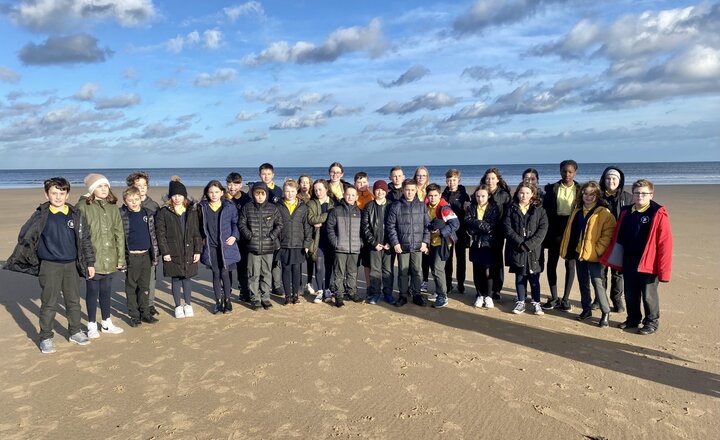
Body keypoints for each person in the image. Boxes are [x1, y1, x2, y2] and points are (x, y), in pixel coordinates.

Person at [5, 177, 94, 353]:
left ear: (67, 194)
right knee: (49, 302)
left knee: (73, 301)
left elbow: (85, 241)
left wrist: (90, 262)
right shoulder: (41, 215)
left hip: (71, 265)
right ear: (46, 194)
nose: (58, 197)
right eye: (54, 193)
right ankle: (46, 336)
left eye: (62, 193)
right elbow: (26, 236)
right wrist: (32, 258)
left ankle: (75, 331)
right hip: (50, 265)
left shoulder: (76, 214)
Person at [601, 179, 673, 335]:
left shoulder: (657, 212)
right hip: (629, 259)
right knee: (630, 292)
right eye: (637, 193)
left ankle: (651, 322)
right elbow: (618, 236)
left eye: (644, 193)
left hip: (648, 261)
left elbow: (665, 243)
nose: (640, 196)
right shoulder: (627, 211)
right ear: (632, 195)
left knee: (648, 294)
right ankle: (633, 319)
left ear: (651, 195)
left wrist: (664, 271)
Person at [560, 181, 616, 327]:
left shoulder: (604, 213)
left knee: (598, 283)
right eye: (585, 193)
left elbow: (608, 235)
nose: (588, 197)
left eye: (592, 194)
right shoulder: (577, 211)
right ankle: (586, 309)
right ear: (581, 194)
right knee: (583, 283)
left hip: (594, 256)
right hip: (579, 253)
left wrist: (597, 250)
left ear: (597, 195)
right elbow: (570, 232)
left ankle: (605, 312)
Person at [77, 173, 125, 338]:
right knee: (92, 291)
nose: (104, 189)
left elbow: (119, 233)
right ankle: (91, 325)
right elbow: (81, 236)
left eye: (105, 186)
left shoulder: (113, 207)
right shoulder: (83, 207)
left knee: (106, 291)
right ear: (92, 190)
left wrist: (120, 258)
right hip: (93, 259)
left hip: (110, 257)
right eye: (99, 186)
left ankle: (106, 322)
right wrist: (86, 261)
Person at [155, 178, 202, 319]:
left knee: (187, 279)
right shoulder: (164, 212)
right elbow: (160, 234)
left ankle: (188, 304)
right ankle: (177, 306)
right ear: (170, 197)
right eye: (174, 196)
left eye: (180, 195)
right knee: (175, 279)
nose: (177, 198)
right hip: (172, 252)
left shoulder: (191, 211)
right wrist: (165, 252)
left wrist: (197, 250)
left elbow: (196, 232)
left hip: (189, 250)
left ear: (185, 196)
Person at [505, 183, 548, 315]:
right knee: (520, 277)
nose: (524, 196)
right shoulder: (511, 208)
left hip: (534, 250)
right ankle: (521, 302)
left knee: (534, 278)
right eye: (521, 193)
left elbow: (543, 228)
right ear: (517, 193)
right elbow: (507, 227)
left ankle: (536, 303)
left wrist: (529, 244)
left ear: (532, 195)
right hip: (517, 249)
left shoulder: (539, 209)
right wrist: (519, 242)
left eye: (527, 193)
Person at [542, 160, 580, 312]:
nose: (567, 174)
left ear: (575, 172)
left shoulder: (580, 189)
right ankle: (554, 297)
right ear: (560, 171)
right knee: (551, 264)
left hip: (572, 231)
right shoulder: (552, 189)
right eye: (564, 171)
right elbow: (545, 210)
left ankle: (565, 299)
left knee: (570, 265)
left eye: (570, 172)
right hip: (554, 230)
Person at [198, 180, 241, 314]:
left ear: (222, 192)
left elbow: (236, 223)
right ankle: (218, 301)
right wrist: (201, 239)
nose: (214, 195)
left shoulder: (229, 206)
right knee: (216, 273)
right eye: (211, 192)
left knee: (225, 272)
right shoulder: (202, 207)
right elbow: (198, 226)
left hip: (226, 245)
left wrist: (234, 236)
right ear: (207, 193)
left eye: (217, 192)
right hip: (211, 246)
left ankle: (227, 300)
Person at [386, 178, 430, 307]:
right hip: (402, 245)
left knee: (417, 270)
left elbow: (427, 225)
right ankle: (403, 295)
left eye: (412, 190)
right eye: (407, 190)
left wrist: (425, 242)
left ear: (416, 190)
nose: (410, 192)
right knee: (402, 272)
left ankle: (416, 295)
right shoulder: (396, 206)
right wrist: (395, 243)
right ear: (403, 190)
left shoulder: (422, 206)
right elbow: (391, 226)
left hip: (418, 245)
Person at [239, 183, 283, 310]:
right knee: (253, 274)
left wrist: (271, 237)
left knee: (266, 273)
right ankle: (255, 298)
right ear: (253, 194)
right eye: (257, 193)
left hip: (268, 248)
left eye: (262, 194)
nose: (259, 196)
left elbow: (279, 224)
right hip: (252, 248)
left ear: (266, 194)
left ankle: (265, 297)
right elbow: (241, 224)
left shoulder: (272, 208)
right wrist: (249, 236)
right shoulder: (247, 208)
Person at [120, 186, 159, 327]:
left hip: (146, 255)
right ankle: (134, 315)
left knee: (144, 286)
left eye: (136, 199)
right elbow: (119, 238)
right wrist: (121, 259)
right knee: (131, 287)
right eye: (130, 200)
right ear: (125, 201)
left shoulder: (147, 213)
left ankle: (145, 313)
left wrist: (155, 254)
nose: (134, 202)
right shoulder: (122, 214)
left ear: (140, 199)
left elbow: (153, 235)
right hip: (132, 256)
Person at [126, 171, 161, 316]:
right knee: (134, 281)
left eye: (144, 185)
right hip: (133, 252)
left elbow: (159, 229)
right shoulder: (127, 206)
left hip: (150, 249)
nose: (141, 188)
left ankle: (149, 304)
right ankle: (136, 307)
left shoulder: (153, 205)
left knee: (150, 278)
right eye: (138, 185)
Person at [599, 166, 633, 313]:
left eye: (614, 178)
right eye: (608, 178)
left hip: (620, 241)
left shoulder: (627, 198)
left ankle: (617, 299)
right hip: (602, 239)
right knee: (600, 271)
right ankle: (600, 299)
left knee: (618, 273)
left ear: (619, 181)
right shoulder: (598, 197)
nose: (611, 181)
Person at [326, 185, 363, 307]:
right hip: (340, 248)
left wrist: (360, 242)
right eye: (348, 194)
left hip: (355, 248)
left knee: (352, 272)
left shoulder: (359, 212)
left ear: (356, 197)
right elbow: (330, 227)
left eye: (353, 195)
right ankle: (339, 295)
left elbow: (363, 230)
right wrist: (335, 242)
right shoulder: (336, 210)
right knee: (339, 273)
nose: (350, 197)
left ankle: (352, 292)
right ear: (344, 195)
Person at [465, 184, 501, 308]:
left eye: (483, 196)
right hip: (475, 243)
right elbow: (467, 222)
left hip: (489, 244)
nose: (480, 198)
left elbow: (491, 226)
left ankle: (489, 296)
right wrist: (480, 224)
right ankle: (480, 294)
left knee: (488, 271)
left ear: (488, 196)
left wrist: (477, 225)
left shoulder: (494, 208)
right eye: (478, 196)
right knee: (477, 271)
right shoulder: (471, 208)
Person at [277, 180, 312, 305]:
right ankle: (287, 295)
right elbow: (276, 225)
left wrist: (307, 243)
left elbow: (307, 226)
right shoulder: (279, 206)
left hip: (298, 244)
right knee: (286, 269)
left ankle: (296, 295)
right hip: (284, 243)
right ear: (283, 191)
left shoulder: (303, 207)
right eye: (287, 191)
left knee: (296, 269)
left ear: (296, 192)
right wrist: (277, 242)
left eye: (292, 191)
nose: (290, 194)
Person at [425, 183, 459, 309]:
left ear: (440, 195)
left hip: (443, 242)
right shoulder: (427, 206)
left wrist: (441, 232)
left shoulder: (444, 207)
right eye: (430, 195)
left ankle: (443, 296)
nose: (433, 198)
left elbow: (456, 224)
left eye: (435, 195)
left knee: (438, 269)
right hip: (432, 242)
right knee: (434, 269)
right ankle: (439, 291)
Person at [361, 180, 395, 305]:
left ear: (386, 191)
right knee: (375, 270)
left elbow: (394, 225)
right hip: (374, 245)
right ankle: (375, 293)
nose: (380, 192)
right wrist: (374, 243)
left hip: (388, 245)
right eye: (377, 189)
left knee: (387, 270)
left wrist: (390, 242)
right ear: (374, 191)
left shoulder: (392, 205)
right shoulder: (369, 206)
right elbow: (365, 227)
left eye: (382, 189)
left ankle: (388, 294)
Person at [480, 167, 512, 300]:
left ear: (498, 180)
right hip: (483, 232)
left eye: (493, 178)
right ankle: (484, 288)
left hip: (498, 233)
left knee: (497, 260)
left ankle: (497, 289)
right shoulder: (481, 192)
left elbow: (507, 215)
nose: (490, 180)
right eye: (488, 178)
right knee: (484, 261)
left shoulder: (504, 195)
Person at [442, 168, 470, 295]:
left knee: (461, 259)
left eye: (453, 180)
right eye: (449, 180)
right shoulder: (443, 195)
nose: (451, 182)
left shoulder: (464, 195)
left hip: (461, 231)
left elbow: (468, 213)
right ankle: (448, 284)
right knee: (448, 258)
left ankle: (461, 283)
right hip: (447, 231)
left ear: (458, 180)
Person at [307, 179, 336, 303]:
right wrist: (328, 216)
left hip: (330, 238)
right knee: (319, 266)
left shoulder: (334, 203)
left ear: (326, 189)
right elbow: (311, 219)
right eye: (315, 190)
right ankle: (319, 291)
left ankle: (327, 289)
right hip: (317, 240)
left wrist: (322, 220)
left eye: (320, 189)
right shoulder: (311, 203)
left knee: (329, 266)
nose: (318, 192)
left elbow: (336, 220)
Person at [226, 172, 252, 303]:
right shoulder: (223, 199)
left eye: (235, 184)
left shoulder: (247, 199)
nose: (232, 187)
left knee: (243, 266)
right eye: (229, 184)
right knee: (228, 266)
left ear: (240, 185)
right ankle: (227, 291)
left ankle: (244, 291)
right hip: (227, 238)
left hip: (243, 239)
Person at [297, 174, 315, 296]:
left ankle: (309, 282)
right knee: (299, 259)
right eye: (302, 182)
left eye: (307, 182)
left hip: (312, 232)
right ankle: (299, 284)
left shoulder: (314, 197)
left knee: (311, 259)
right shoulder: (296, 197)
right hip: (299, 232)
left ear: (310, 184)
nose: (304, 184)